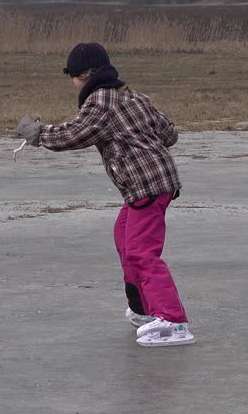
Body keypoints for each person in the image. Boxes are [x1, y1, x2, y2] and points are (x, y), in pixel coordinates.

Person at [16, 43, 195, 348]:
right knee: (123, 234)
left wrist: (39, 134)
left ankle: (173, 321)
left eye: (73, 76)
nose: (73, 82)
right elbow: (169, 133)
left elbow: (76, 133)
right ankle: (143, 309)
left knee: (141, 251)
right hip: (153, 183)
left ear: (84, 75)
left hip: (146, 185)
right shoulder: (133, 95)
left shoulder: (101, 100)